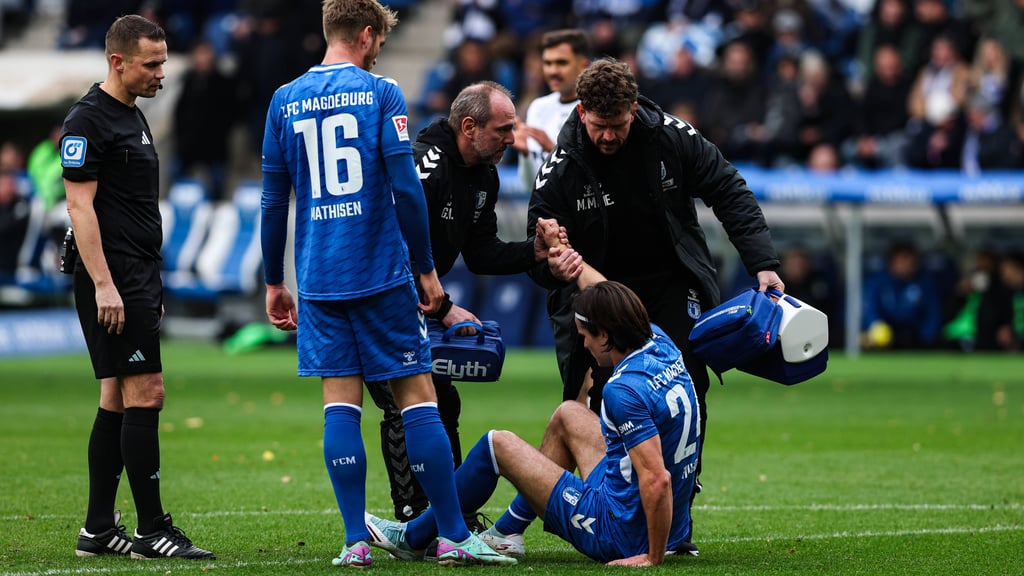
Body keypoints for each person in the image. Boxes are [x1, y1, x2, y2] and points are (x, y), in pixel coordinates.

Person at [259, 0, 515, 567]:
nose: (378, 52)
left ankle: (355, 543)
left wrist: (274, 280)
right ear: (368, 34)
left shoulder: (283, 100)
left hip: (319, 278)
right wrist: (426, 272)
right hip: (379, 272)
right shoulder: (382, 94)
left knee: (340, 408)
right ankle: (452, 535)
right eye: (378, 42)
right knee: (417, 398)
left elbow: (275, 198)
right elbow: (404, 188)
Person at [526, 58, 785, 552]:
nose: (608, 136)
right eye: (600, 126)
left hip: (670, 281)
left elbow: (728, 189)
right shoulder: (559, 166)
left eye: (618, 125)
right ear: (582, 113)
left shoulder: (672, 136)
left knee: (685, 380)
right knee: (604, 395)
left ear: (634, 109)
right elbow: (538, 250)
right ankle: (620, 513)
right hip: (599, 291)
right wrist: (551, 253)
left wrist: (763, 262)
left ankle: (677, 516)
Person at [363, 280, 702, 566]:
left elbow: (657, 480)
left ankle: (413, 537)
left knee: (496, 445)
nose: (583, 343)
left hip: (621, 532)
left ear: (606, 334)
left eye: (585, 335)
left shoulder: (622, 389)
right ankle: (507, 532)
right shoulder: (661, 343)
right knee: (569, 413)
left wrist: (651, 558)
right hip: (669, 523)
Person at [365, 81, 558, 525]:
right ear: (469, 127)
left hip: (412, 304)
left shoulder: (483, 175)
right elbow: (387, 247)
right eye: (504, 129)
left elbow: (481, 251)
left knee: (441, 401)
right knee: (407, 401)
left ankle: (446, 512)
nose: (513, 138)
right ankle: (417, 514)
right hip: (375, 298)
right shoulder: (425, 165)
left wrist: (535, 252)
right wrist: (444, 305)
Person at [61, 14, 214, 560]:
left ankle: (98, 529)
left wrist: (151, 281)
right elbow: (79, 206)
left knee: (117, 399)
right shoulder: (88, 121)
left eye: (163, 62)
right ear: (117, 61)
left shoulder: (135, 117)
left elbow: (133, 208)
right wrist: (106, 285)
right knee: (147, 392)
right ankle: (152, 528)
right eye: (151, 64)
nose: (160, 73)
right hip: (114, 278)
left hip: (137, 275)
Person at [513, 29, 590, 191]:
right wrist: (526, 156)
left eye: (561, 63)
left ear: (583, 66)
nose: (552, 71)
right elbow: (531, 186)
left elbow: (596, 177)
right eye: (547, 63)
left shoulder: (595, 108)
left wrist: (553, 149)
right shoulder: (538, 107)